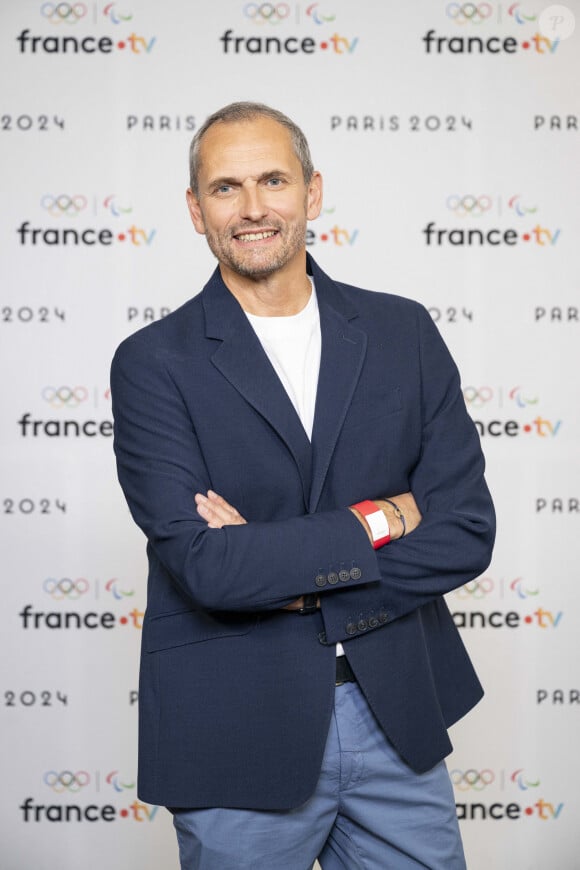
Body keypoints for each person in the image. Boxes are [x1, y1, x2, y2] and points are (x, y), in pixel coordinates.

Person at [111, 101, 495, 869]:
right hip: (236, 728)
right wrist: (386, 518)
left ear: (312, 194)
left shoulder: (404, 332)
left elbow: (465, 530)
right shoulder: (153, 363)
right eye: (226, 188)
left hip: (397, 714)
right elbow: (209, 567)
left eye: (273, 180)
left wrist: (281, 569)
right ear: (196, 210)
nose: (253, 208)